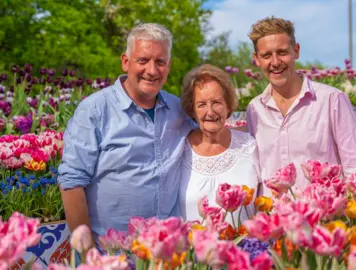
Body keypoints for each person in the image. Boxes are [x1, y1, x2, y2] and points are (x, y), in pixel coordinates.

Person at [57, 23, 195, 246]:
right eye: (143, 60)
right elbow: (72, 183)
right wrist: (87, 253)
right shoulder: (94, 110)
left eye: (160, 62)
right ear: (125, 61)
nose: (152, 70)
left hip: (166, 251)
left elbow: (212, 133)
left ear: (168, 66)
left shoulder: (179, 109)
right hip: (113, 253)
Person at [245, 17, 356, 196]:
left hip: (323, 219)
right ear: (257, 59)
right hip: (271, 220)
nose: (275, 62)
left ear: (296, 51)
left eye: (282, 52)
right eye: (266, 55)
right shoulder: (254, 109)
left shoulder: (331, 100)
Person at [179, 64, 260, 224]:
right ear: (192, 110)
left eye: (216, 102)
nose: (210, 112)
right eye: (201, 104)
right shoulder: (179, 150)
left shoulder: (249, 146)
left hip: (244, 247)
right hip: (191, 248)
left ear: (228, 105)